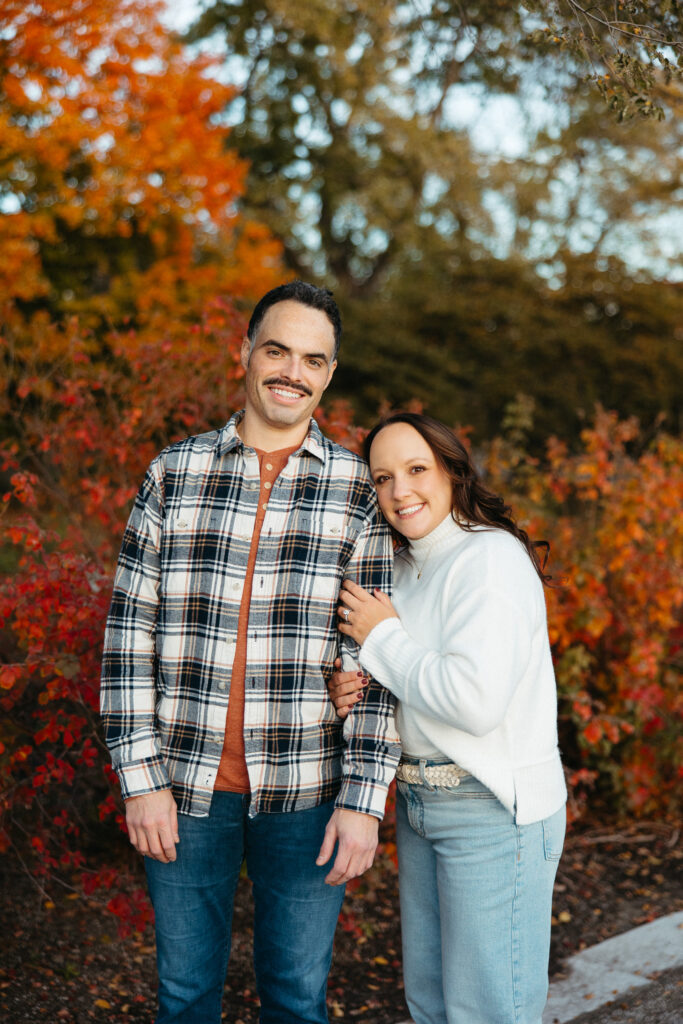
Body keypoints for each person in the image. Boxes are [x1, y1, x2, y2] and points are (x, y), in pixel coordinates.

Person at [100, 281, 401, 1024]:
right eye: (277, 350)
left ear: (329, 373)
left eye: (312, 359)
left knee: (297, 999)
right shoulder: (175, 473)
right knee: (183, 996)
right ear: (245, 353)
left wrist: (364, 801)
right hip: (183, 784)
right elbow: (127, 630)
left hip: (306, 791)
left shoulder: (356, 492)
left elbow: (378, 657)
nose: (291, 372)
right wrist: (139, 779)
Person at [328, 411, 567, 1024]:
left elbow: (473, 701)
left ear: (453, 472)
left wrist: (382, 642)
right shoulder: (401, 569)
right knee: (431, 1006)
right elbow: (412, 680)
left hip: (490, 810)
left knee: (489, 1012)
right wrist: (353, 688)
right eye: (382, 479)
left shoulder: (488, 559)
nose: (399, 491)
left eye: (416, 470)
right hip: (418, 803)